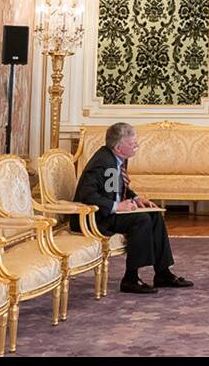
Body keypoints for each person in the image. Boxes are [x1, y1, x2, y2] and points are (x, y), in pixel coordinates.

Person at [74, 121, 193, 294]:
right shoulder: (102, 162)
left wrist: (136, 198)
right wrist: (117, 206)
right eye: (132, 143)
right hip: (96, 217)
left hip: (108, 212)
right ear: (118, 147)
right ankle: (130, 279)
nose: (137, 145)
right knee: (141, 220)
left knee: (154, 215)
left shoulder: (117, 158)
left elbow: (116, 186)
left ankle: (163, 273)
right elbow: (87, 195)